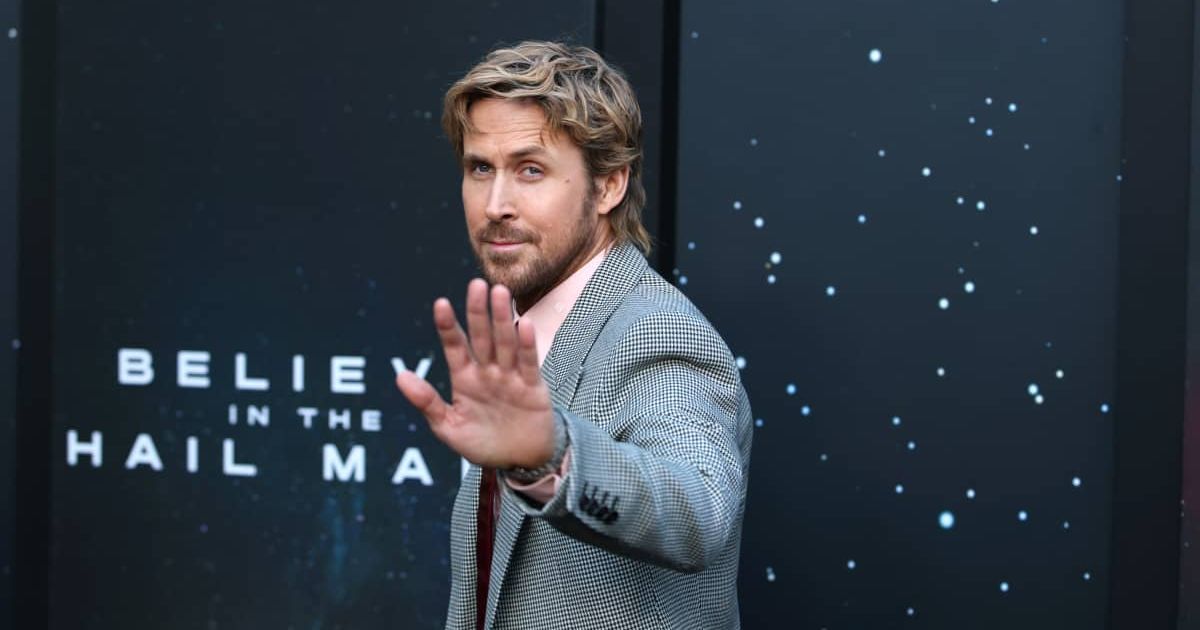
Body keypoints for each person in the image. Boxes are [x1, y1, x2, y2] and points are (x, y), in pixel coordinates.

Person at [395, 40, 753, 630]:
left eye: (530, 170)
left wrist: (550, 457)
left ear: (609, 185)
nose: (496, 204)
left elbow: (698, 513)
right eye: (480, 168)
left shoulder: (655, 332)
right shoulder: (519, 335)